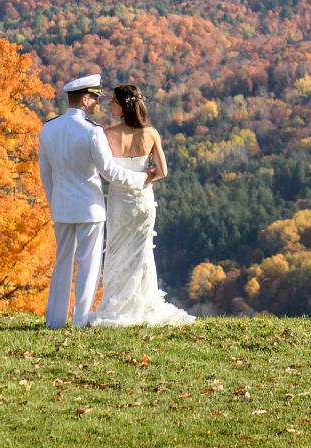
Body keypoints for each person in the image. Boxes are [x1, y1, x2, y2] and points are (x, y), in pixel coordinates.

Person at [38, 74, 154, 329]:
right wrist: (141, 179)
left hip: (62, 207)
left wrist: (54, 201)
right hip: (90, 207)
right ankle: (80, 321)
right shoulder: (92, 131)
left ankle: (54, 321)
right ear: (85, 98)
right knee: (89, 265)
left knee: (62, 262)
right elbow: (109, 172)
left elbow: (46, 174)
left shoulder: (48, 129)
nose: (97, 103)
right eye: (95, 98)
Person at [89, 84, 195, 327]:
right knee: (142, 251)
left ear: (123, 105)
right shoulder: (151, 134)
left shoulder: (108, 134)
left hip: (119, 200)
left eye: (113, 101)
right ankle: (142, 302)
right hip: (144, 200)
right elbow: (163, 171)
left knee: (116, 250)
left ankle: (118, 304)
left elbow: (105, 171)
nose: (109, 104)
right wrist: (143, 178)